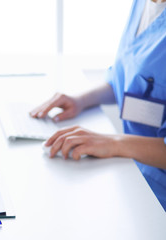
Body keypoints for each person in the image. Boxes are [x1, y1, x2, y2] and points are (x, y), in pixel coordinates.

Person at [30, 0, 166, 210]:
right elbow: (130, 80)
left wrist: (113, 143)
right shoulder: (143, 4)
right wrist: (81, 100)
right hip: (133, 176)